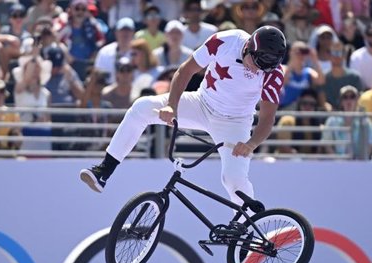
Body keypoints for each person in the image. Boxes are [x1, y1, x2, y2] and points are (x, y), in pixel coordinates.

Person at [79, 25, 287, 204]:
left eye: (267, 68)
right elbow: (185, 71)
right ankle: (104, 171)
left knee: (233, 179)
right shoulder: (225, 41)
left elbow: (268, 118)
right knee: (141, 107)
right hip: (201, 103)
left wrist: (251, 144)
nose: (259, 71)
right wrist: (171, 105)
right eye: (257, 63)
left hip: (235, 122)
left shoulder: (273, 73)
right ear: (248, 47)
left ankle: (245, 227)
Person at [321, 85, 372, 158]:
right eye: (345, 97)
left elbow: (370, 143)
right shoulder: (332, 120)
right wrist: (337, 160)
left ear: (357, 101)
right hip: (338, 163)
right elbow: (327, 144)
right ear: (341, 101)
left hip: (360, 162)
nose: (348, 100)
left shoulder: (365, 121)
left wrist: (361, 161)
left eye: (352, 97)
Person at [322, 39, 363, 109]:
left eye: (339, 53)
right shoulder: (323, 77)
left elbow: (359, 100)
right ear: (329, 55)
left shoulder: (354, 77)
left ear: (344, 56)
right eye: (334, 53)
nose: (336, 56)